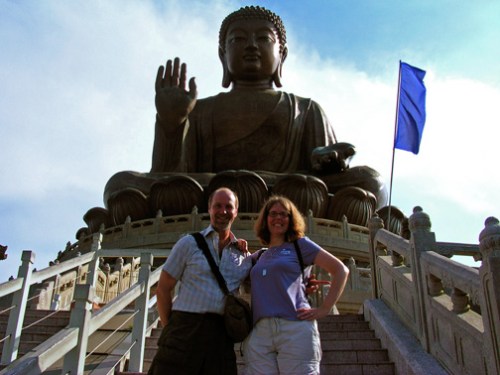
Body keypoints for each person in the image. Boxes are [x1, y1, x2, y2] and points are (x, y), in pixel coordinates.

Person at [102, 5, 387, 225]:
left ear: (281, 54)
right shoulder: (199, 110)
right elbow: (169, 175)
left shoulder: (305, 108)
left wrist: (329, 160)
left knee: (370, 181)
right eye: (238, 39)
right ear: (222, 54)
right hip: (208, 193)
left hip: (292, 192)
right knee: (120, 184)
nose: (251, 45)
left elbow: (326, 174)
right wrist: (172, 124)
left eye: (263, 38)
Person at [243, 195, 350, 375]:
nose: (278, 218)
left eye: (284, 214)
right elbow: (239, 272)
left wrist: (324, 308)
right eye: (273, 213)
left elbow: (340, 270)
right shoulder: (259, 256)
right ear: (265, 219)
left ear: (291, 219)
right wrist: (237, 246)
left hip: (294, 327)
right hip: (260, 331)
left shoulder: (301, 245)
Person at [149, 187, 251, 375]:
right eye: (217, 206)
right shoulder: (189, 243)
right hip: (183, 328)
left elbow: (263, 277)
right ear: (209, 208)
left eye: (229, 207)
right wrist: (171, 327)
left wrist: (301, 284)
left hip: (220, 335)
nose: (223, 211)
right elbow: (163, 289)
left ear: (236, 212)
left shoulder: (242, 256)